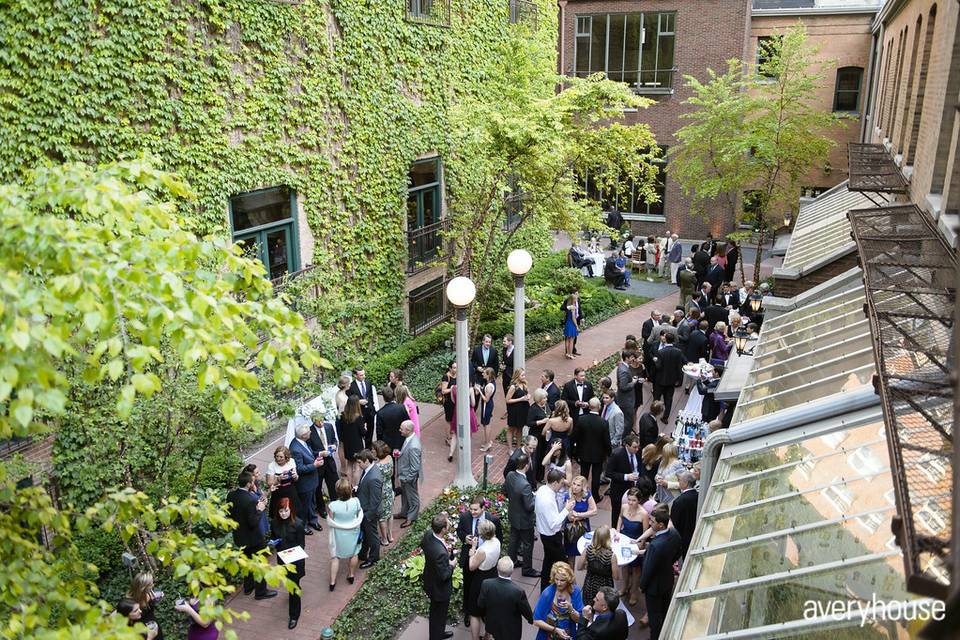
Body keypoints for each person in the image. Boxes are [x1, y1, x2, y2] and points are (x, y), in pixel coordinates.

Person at [227, 470, 277, 600]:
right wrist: (260, 510)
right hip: (254, 539)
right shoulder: (250, 500)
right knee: (260, 564)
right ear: (249, 484)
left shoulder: (231, 495)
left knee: (246, 563)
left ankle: (248, 587)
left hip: (239, 537)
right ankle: (261, 592)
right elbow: (253, 522)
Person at [457, 494, 505, 628]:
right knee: (468, 586)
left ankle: (482, 611)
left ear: (483, 508)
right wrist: (465, 538)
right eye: (471, 509)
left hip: (485, 561)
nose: (472, 512)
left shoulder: (493, 520)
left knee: (483, 588)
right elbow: (459, 531)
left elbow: (499, 538)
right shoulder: (464, 517)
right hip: (470, 558)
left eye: (476, 510)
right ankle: (468, 611)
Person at [640, 505, 682, 640]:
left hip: (653, 588)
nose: (650, 523)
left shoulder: (655, 546)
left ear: (660, 525)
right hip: (667, 580)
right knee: (664, 611)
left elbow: (648, 569)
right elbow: (678, 553)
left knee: (654, 617)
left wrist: (642, 586)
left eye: (652, 521)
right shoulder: (674, 534)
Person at [535, 468, 575, 590]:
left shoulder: (542, 489)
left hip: (544, 533)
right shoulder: (548, 500)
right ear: (555, 483)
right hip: (552, 536)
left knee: (547, 561)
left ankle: (544, 587)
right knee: (563, 564)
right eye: (561, 483)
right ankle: (568, 588)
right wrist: (566, 509)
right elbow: (554, 523)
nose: (562, 486)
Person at [270, 497, 306, 628]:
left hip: (295, 561)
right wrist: (273, 543)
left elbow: (302, 544)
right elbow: (274, 537)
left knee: (293, 589)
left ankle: (294, 616)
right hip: (282, 560)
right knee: (288, 583)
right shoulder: (274, 523)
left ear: (291, 510)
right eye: (281, 511)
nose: (283, 514)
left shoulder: (298, 524)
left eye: (286, 510)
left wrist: (291, 553)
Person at [477, 557, 534, 640]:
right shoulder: (518, 591)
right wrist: (531, 619)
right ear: (512, 571)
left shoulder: (486, 584)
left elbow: (480, 604)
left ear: (497, 569)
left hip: (493, 624)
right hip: (510, 629)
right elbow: (525, 610)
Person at [421, 513, 457, 640]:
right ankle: (436, 636)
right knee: (439, 614)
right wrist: (452, 565)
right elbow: (444, 575)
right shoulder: (440, 553)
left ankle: (439, 632)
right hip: (439, 589)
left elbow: (423, 545)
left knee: (436, 613)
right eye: (447, 524)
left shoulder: (428, 534)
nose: (449, 525)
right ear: (443, 529)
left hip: (430, 579)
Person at [466, 519, 502, 640]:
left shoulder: (482, 550)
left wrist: (472, 551)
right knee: (489, 610)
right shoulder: (497, 542)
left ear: (481, 534)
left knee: (474, 612)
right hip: (493, 574)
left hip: (481, 578)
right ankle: (488, 636)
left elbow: (471, 567)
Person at [504, 453, 539, 578]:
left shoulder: (510, 475)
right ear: (526, 466)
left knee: (514, 540)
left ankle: (512, 561)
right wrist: (536, 497)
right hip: (524, 520)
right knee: (528, 544)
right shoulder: (525, 485)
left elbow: (504, 491)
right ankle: (527, 569)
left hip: (513, 515)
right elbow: (529, 506)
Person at [326, 478, 362, 590]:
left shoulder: (333, 505)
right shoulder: (356, 501)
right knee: (354, 553)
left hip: (339, 535)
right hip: (353, 532)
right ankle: (351, 575)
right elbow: (358, 513)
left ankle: (332, 582)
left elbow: (331, 520)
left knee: (335, 557)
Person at [532, 562, 583, 640]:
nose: (558, 583)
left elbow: (579, 620)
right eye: (556, 579)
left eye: (562, 580)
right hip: (548, 637)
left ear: (568, 580)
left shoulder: (575, 592)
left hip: (568, 636)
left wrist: (571, 609)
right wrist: (555, 630)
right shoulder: (548, 593)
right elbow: (536, 620)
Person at [617, 487, 651, 606]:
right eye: (629, 500)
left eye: (634, 500)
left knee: (636, 569)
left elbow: (645, 533)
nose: (630, 503)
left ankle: (634, 592)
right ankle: (624, 586)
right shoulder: (624, 507)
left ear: (639, 501)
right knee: (624, 566)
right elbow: (620, 518)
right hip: (624, 539)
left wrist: (639, 547)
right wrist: (617, 532)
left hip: (636, 543)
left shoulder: (644, 514)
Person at [574, 397, 610, 500]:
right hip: (598, 454)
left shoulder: (581, 419)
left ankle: (581, 494)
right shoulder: (603, 422)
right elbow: (606, 440)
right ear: (599, 407)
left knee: (583, 475)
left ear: (589, 407)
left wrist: (575, 451)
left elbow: (576, 436)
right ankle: (595, 496)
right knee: (596, 476)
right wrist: (609, 452)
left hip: (584, 453)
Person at [289, 424, 323, 532]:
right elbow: (299, 468)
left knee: (312, 503)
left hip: (311, 481)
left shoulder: (302, 442)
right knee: (304, 506)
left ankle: (313, 521)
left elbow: (310, 454)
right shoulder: (295, 449)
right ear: (303, 435)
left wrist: (319, 454)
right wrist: (314, 465)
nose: (310, 433)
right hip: (304, 484)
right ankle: (302, 526)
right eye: (308, 432)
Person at [577, 526, 619, 608]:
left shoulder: (587, 550)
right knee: (604, 607)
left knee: (589, 606)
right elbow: (616, 576)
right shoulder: (611, 556)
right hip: (605, 586)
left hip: (590, 583)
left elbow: (579, 567)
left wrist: (588, 566)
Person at [605, 434, 641, 527]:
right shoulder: (617, 454)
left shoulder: (637, 453)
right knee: (616, 513)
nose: (637, 449)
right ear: (627, 446)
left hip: (633, 488)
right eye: (634, 447)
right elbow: (609, 473)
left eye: (638, 447)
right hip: (619, 490)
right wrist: (625, 477)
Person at [308, 412, 339, 519]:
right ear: (313, 421)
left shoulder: (329, 426)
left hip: (330, 461)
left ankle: (336, 505)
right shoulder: (309, 432)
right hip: (319, 463)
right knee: (318, 487)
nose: (321, 423)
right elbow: (309, 450)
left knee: (334, 484)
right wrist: (320, 453)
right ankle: (321, 508)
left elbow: (334, 439)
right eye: (318, 421)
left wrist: (334, 445)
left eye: (322, 420)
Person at [356, 449, 382, 569]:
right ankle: (363, 553)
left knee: (372, 537)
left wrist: (368, 516)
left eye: (360, 462)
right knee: (366, 534)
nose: (358, 465)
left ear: (367, 461)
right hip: (364, 510)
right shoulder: (368, 470)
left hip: (369, 513)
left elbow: (375, 501)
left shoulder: (374, 477)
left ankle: (373, 558)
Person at [563, 475, 597, 566]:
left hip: (584, 527)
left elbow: (595, 511)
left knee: (586, 552)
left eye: (578, 485)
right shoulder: (568, 496)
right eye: (574, 484)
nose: (575, 487)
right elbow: (570, 517)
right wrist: (586, 515)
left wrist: (578, 515)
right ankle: (571, 578)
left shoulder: (587, 494)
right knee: (571, 555)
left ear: (583, 487)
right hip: (571, 529)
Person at [651, 333, 684, 423]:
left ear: (666, 339)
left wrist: (656, 361)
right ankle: (665, 417)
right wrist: (679, 379)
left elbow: (658, 367)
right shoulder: (678, 352)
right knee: (668, 400)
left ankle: (653, 414)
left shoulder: (661, 352)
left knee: (656, 398)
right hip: (671, 380)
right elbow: (679, 367)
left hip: (660, 380)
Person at [396, 420, 422, 527]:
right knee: (405, 495)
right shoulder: (409, 439)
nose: (399, 430)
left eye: (401, 429)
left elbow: (415, 467)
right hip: (405, 475)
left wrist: (408, 478)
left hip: (408, 477)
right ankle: (404, 512)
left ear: (407, 430)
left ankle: (411, 517)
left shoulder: (414, 446)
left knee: (412, 497)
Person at [126, 573, 165, 640]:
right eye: (150, 584)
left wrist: (157, 597)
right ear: (143, 587)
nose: (153, 585)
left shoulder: (148, 594)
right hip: (142, 634)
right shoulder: (129, 602)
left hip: (154, 628)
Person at [670, 471, 699, 560]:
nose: (678, 482)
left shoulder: (678, 501)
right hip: (698, 535)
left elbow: (674, 524)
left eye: (679, 480)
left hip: (683, 539)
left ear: (686, 483)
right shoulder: (699, 496)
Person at [337, 395, 366, 484]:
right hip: (357, 445)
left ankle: (349, 484)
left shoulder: (343, 416)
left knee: (349, 464)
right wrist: (365, 428)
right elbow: (363, 433)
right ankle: (355, 485)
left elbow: (341, 431)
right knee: (357, 466)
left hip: (348, 444)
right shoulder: (358, 418)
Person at [372, 441, 396, 546]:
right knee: (389, 513)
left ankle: (384, 539)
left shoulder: (377, 466)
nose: (372, 451)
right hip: (389, 487)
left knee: (381, 517)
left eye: (373, 450)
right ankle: (390, 536)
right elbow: (392, 473)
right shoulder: (390, 458)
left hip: (380, 491)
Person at [448, 382, 479, 463]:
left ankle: (450, 454)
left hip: (457, 412)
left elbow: (453, 401)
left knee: (455, 434)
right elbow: (473, 403)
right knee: (468, 434)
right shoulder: (470, 389)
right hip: (468, 412)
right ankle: (465, 455)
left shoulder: (453, 388)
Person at [266, 447, 299, 522]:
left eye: (281, 457)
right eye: (277, 456)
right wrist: (278, 479)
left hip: (291, 490)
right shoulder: (272, 465)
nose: (278, 459)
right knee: (279, 512)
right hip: (278, 492)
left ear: (286, 457)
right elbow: (269, 483)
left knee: (293, 510)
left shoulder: (291, 462)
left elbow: (296, 479)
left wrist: (295, 476)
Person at [374, 385, 409, 455]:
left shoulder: (380, 413)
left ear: (383, 398)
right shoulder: (401, 407)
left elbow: (379, 432)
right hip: (401, 440)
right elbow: (408, 421)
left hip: (387, 444)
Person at [348, 367, 376, 448]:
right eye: (361, 375)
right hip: (359, 412)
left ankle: (368, 448)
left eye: (364, 374)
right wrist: (358, 402)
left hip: (370, 411)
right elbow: (349, 400)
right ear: (355, 375)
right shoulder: (351, 386)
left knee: (370, 431)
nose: (364, 376)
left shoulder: (368, 383)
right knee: (359, 431)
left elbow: (371, 396)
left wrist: (373, 409)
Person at [526, 388, 550, 483]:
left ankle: (540, 477)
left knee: (542, 456)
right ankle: (532, 478)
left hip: (544, 436)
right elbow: (529, 423)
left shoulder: (546, 406)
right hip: (535, 435)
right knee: (534, 457)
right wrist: (541, 422)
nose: (546, 399)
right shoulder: (533, 408)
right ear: (539, 399)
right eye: (544, 398)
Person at [504, 368, 530, 453]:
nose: (524, 377)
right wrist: (521, 399)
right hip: (514, 410)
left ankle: (518, 447)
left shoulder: (524, 384)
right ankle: (510, 449)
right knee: (511, 428)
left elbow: (526, 394)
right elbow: (507, 400)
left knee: (520, 428)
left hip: (523, 409)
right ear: (517, 376)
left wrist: (528, 396)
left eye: (524, 375)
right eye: (522, 375)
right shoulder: (513, 387)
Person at [614, 350, 641, 431]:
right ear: (626, 358)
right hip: (626, 400)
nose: (633, 359)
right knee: (628, 422)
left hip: (625, 399)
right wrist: (633, 382)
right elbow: (623, 386)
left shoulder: (622, 366)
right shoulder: (624, 370)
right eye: (631, 357)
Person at [243, 463, 270, 539]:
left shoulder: (257, 483)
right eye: (257, 473)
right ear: (251, 475)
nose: (259, 473)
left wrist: (267, 495)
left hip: (262, 513)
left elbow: (261, 496)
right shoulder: (248, 488)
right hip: (256, 514)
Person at [478, 366, 497, 452]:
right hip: (487, 405)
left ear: (488, 375)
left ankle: (488, 443)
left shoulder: (489, 386)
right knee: (486, 424)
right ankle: (487, 441)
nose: (482, 374)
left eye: (484, 373)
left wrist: (479, 390)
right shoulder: (490, 383)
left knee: (486, 424)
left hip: (487, 405)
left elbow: (486, 399)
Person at [440, 360, 456, 428]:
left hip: (455, 400)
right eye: (454, 368)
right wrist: (453, 388)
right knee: (449, 419)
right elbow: (443, 391)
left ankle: (453, 433)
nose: (456, 369)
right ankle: (449, 437)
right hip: (448, 401)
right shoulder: (446, 377)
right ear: (450, 368)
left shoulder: (458, 375)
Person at [500, 334, 515, 401]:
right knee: (506, 393)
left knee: (513, 394)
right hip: (505, 375)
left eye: (504, 341)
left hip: (512, 376)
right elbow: (504, 360)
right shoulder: (504, 349)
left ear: (510, 341)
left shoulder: (516, 351)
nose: (503, 343)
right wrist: (502, 365)